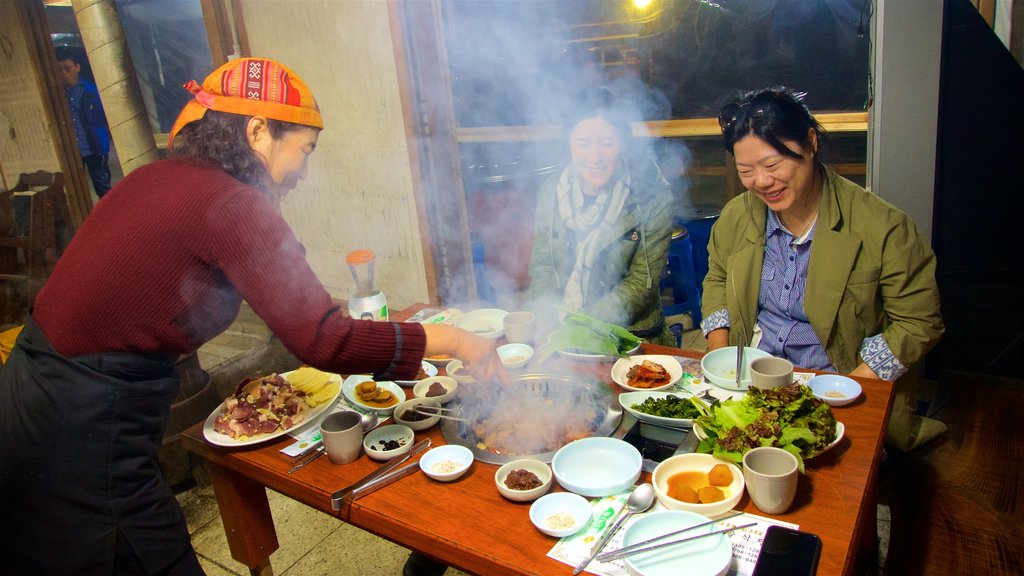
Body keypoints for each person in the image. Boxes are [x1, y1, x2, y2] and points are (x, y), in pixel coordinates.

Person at [0, 57, 505, 575]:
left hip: (29, 386)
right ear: (258, 131)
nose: (304, 170)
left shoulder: (161, 178)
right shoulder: (230, 202)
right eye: (304, 150)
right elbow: (321, 340)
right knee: (137, 553)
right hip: (83, 420)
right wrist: (455, 340)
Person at [702, 86, 944, 381]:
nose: (762, 181)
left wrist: (853, 387)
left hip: (833, 381)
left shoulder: (883, 226)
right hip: (749, 377)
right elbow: (717, 277)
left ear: (811, 142)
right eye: (745, 170)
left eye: (772, 164)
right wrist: (720, 362)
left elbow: (918, 321)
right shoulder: (738, 215)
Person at [526, 86, 675, 346]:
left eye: (607, 143)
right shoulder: (552, 192)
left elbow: (642, 284)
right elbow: (543, 267)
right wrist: (545, 316)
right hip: (561, 330)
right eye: (583, 144)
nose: (595, 157)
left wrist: (581, 326)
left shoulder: (651, 195)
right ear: (569, 144)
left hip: (633, 337)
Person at [57, 48, 113, 198]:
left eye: (67, 68)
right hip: (73, 149)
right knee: (76, 190)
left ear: (77, 67)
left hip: (94, 145)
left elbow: (105, 117)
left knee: (103, 186)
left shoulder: (91, 90)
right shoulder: (59, 94)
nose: (64, 73)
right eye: (60, 69)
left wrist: (104, 142)